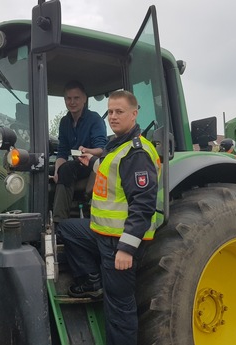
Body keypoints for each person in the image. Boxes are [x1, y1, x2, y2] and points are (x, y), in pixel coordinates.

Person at [58, 90, 162, 345]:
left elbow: (143, 204)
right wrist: (90, 162)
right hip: (102, 233)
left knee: (119, 307)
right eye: (110, 112)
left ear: (134, 114)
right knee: (67, 229)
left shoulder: (137, 152)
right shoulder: (118, 146)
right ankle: (92, 280)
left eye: (120, 112)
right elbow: (110, 172)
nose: (113, 117)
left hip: (119, 241)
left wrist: (127, 249)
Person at [52, 80, 107, 224]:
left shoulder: (94, 120)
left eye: (76, 98)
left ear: (84, 99)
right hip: (75, 165)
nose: (72, 102)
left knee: (68, 168)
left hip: (93, 164)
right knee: (49, 169)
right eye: (68, 98)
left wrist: (87, 151)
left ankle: (59, 222)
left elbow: (101, 150)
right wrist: (57, 171)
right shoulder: (65, 122)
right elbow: (62, 152)